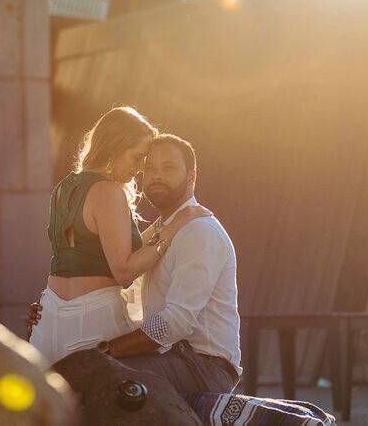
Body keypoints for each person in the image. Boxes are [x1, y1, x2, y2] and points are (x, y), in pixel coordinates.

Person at [29, 133, 241, 394]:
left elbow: (176, 322)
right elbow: (124, 294)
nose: (157, 176)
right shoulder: (162, 232)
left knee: (94, 375)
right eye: (150, 168)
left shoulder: (198, 231)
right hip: (168, 357)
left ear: (191, 176)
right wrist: (53, 312)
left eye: (168, 167)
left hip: (202, 366)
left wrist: (104, 351)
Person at [28, 107, 207, 365]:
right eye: (138, 157)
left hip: (47, 321)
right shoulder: (108, 191)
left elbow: (98, 250)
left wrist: (163, 225)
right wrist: (175, 226)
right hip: (92, 322)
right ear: (116, 146)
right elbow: (124, 271)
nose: (141, 168)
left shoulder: (63, 187)